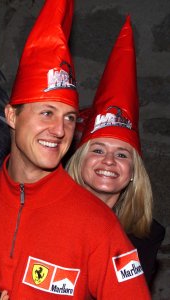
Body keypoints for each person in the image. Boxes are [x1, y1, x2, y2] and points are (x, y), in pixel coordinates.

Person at [0, 1, 151, 299]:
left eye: (69, 117)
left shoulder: (98, 224)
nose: (60, 129)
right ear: (12, 116)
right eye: (46, 113)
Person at [66, 16, 165, 287]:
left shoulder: (146, 236)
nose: (109, 161)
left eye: (122, 154)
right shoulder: (44, 211)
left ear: (133, 171)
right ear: (79, 161)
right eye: (98, 149)